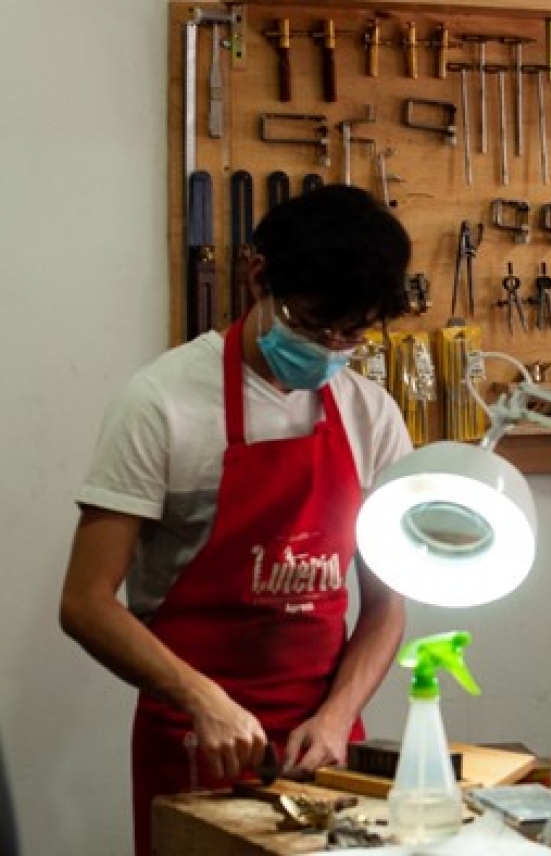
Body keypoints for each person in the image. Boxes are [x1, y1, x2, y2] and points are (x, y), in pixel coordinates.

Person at [58, 185, 414, 855]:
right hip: (198, 743)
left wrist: (338, 717)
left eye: (353, 333)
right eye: (312, 324)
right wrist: (202, 698)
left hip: (325, 745)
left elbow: (385, 608)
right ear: (258, 278)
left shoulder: (372, 414)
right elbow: (84, 603)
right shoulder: (162, 404)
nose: (332, 347)